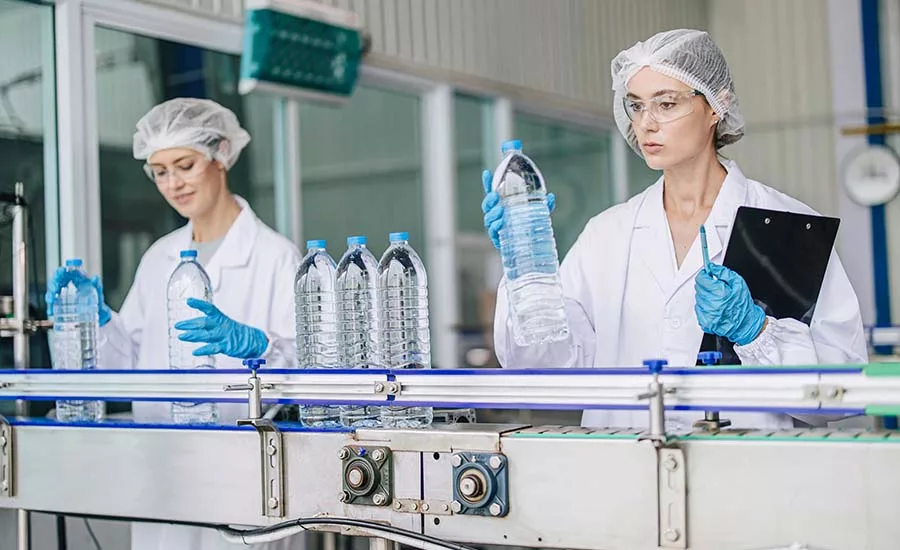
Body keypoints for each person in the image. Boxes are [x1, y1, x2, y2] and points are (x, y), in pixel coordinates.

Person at [481, 29, 867, 430]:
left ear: (718, 105)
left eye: (666, 104)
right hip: (625, 471)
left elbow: (843, 393)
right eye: (636, 106)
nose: (646, 124)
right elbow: (544, 366)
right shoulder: (607, 234)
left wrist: (757, 332)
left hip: (746, 477)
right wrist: (525, 271)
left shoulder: (788, 226)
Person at [45, 98, 300, 550]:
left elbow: (304, 369)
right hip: (161, 468)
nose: (173, 183)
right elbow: (129, 363)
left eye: (184, 165)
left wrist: (254, 344)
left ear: (221, 154)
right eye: (159, 171)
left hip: (241, 475)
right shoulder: (160, 256)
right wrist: (97, 322)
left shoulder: (275, 256)